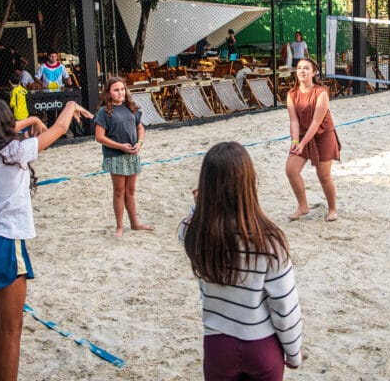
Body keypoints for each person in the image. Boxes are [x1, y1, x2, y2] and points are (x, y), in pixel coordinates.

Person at [0, 98, 92, 381]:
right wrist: (70, 105)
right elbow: (58, 128)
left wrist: (31, 119)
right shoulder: (15, 152)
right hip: (5, 244)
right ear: (3, 127)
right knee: (11, 331)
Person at [179, 142, 303, 380]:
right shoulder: (269, 240)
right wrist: (294, 351)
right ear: (249, 183)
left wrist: (198, 208)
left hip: (218, 343)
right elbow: (285, 306)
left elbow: (185, 227)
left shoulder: (194, 232)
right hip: (261, 343)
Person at [94, 77, 153, 238]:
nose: (120, 92)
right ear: (108, 92)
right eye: (115, 90)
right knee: (119, 191)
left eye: (122, 89)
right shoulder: (105, 111)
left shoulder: (131, 107)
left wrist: (139, 143)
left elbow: (140, 128)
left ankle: (135, 223)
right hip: (116, 155)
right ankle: (120, 226)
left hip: (132, 154)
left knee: (131, 191)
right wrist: (120, 146)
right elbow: (99, 137)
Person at [286, 58, 341, 222]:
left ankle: (332, 209)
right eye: (299, 68)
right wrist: (296, 142)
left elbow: (316, 122)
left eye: (306, 68)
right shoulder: (291, 94)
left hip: (323, 135)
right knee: (291, 170)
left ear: (314, 72)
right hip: (303, 135)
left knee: (323, 175)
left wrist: (302, 144)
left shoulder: (321, 93)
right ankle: (303, 206)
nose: (302, 71)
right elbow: (294, 121)